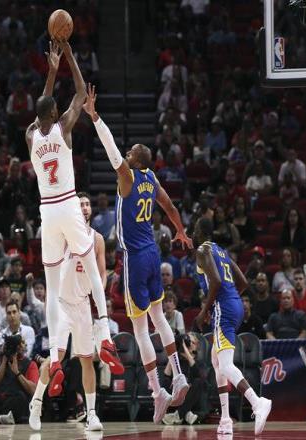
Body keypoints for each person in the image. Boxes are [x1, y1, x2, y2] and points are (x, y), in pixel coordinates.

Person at [83, 83, 192, 423]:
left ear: (135, 160)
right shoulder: (151, 178)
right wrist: (180, 230)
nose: (126, 154)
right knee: (160, 318)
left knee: (141, 329)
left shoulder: (128, 177)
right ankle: (179, 375)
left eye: (130, 152)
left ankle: (158, 391)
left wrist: (95, 117)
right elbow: (170, 206)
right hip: (153, 253)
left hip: (133, 257)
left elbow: (111, 149)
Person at [25, 41, 121, 396]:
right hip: (67, 202)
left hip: (46, 211)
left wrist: (50, 73)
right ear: (55, 112)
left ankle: (53, 358)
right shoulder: (63, 127)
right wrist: (66, 54)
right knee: (91, 265)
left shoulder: (30, 136)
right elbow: (80, 92)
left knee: (51, 289)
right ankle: (105, 334)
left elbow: (42, 106)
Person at [29, 192, 106, 432]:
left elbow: (102, 274)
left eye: (87, 204)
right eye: (80, 204)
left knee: (87, 360)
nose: (84, 207)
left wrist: (98, 294)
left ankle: (91, 414)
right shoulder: (64, 234)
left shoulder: (97, 239)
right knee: (57, 357)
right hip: (61, 303)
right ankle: (37, 402)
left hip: (82, 304)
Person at [193, 218, 272, 436]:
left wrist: (204, 311)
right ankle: (226, 419)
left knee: (226, 365)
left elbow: (216, 281)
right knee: (216, 360)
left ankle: (257, 402)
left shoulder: (202, 250)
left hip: (224, 307)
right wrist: (228, 299)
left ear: (200, 232)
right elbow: (243, 282)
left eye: (195, 229)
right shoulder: (221, 251)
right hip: (235, 303)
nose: (193, 232)